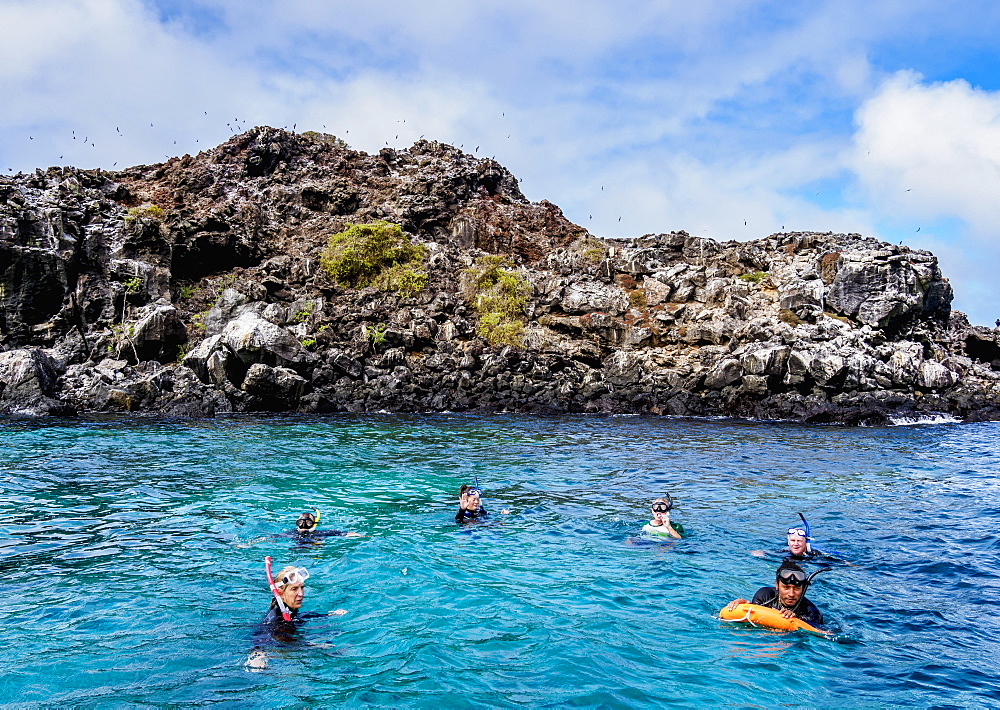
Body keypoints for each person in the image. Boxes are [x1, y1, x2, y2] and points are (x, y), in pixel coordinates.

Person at [246, 563, 346, 670]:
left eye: (302, 588)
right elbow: (267, 633)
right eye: (294, 589)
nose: (301, 593)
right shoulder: (278, 619)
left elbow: (298, 617)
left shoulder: (287, 610)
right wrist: (258, 652)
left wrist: (327, 615)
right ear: (280, 593)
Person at [725, 560, 825, 627]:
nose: (791, 594)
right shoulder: (764, 596)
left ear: (803, 589)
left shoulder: (811, 611)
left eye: (797, 588)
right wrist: (743, 605)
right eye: (786, 587)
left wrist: (796, 618)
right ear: (777, 585)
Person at [288, 508, 363, 540]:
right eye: (300, 522)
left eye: (308, 523)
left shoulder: (321, 533)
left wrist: (359, 535)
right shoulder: (292, 533)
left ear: (313, 524)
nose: (303, 526)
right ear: (297, 523)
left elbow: (343, 533)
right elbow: (276, 537)